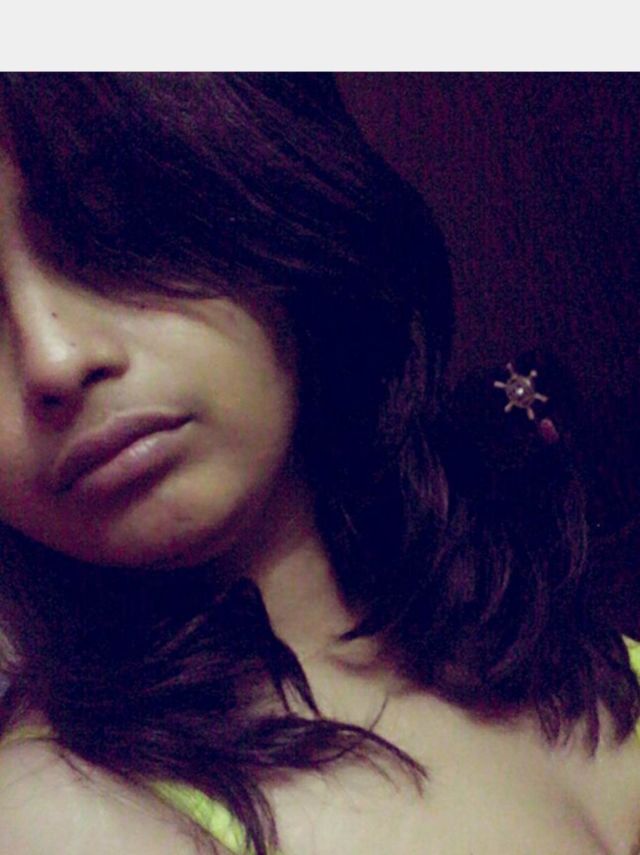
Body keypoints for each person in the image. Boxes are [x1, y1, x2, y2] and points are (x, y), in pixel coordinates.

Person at [0, 72, 638, 855]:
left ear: (268, 189)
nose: (54, 359)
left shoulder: (530, 617)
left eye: (109, 226)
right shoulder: (54, 810)